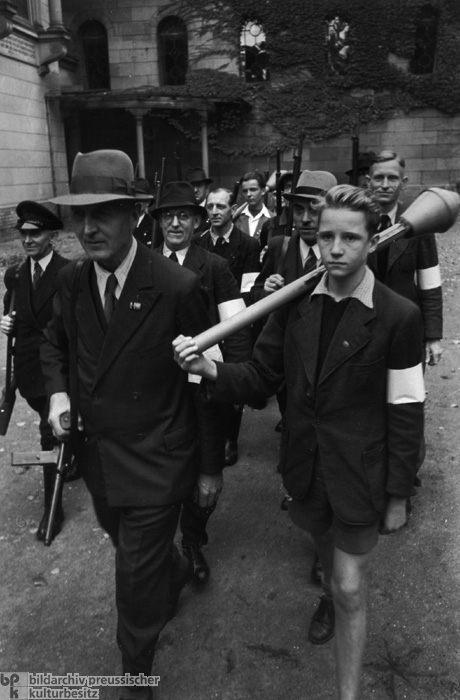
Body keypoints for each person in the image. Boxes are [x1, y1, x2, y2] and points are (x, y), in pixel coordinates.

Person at [173, 185, 425, 700]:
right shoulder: (293, 305)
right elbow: (262, 377)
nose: (334, 248)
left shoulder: (398, 315)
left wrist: (398, 494)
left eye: (349, 238)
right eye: (327, 235)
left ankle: (347, 692)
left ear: (371, 240)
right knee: (331, 566)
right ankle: (330, 593)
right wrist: (209, 368)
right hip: (307, 469)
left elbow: (406, 410)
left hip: (360, 474)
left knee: (351, 585)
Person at [41, 150, 221, 698]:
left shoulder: (175, 286)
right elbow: (54, 342)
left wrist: (209, 468)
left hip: (157, 459)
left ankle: (137, 672)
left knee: (133, 577)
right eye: (79, 216)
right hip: (99, 457)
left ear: (134, 214)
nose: (89, 228)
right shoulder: (73, 281)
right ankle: (173, 568)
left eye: (103, 213)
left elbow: (207, 383)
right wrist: (57, 394)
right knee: (130, 548)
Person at [153, 180, 250, 584]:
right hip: (154, 391)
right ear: (158, 222)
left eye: (183, 216)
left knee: (205, 474)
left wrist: (237, 380)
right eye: (167, 216)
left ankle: (192, 542)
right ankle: (159, 553)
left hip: (200, 383)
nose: (175, 223)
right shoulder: (142, 264)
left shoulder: (214, 267)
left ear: (196, 222)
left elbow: (238, 327)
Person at [1, 201, 70, 542]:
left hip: (59, 370)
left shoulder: (69, 273)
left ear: (52, 236)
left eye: (36, 233)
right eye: (23, 233)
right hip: (29, 371)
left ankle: (53, 508)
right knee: (60, 429)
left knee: (49, 433)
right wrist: (7, 324)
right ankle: (72, 454)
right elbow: (13, 314)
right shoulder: (14, 274)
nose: (28, 240)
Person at [196, 187, 261, 465]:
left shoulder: (247, 244)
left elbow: (248, 289)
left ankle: (229, 439)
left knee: (231, 379)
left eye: (220, 207)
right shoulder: (199, 243)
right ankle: (210, 436)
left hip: (235, 318)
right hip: (205, 319)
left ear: (232, 209)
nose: (214, 212)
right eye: (210, 207)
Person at [366, 150, 443, 367]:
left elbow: (430, 284)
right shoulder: (356, 221)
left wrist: (433, 336)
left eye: (392, 178)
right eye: (378, 178)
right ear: (368, 182)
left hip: (406, 326)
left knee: (406, 395)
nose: (384, 184)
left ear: (403, 182)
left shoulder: (419, 222)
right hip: (362, 329)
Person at [233, 170, 274, 244]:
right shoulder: (235, 218)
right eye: (245, 191)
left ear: (263, 191)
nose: (248, 194)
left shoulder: (272, 219)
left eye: (253, 190)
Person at [186, 166, 212, 234]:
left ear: (206, 188)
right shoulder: (185, 210)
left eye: (199, 185)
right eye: (192, 186)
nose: (195, 190)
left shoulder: (212, 210)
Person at [132, 178, 155, 248]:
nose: (136, 203)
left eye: (140, 200)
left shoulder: (154, 227)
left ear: (147, 202)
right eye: (133, 199)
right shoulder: (122, 224)